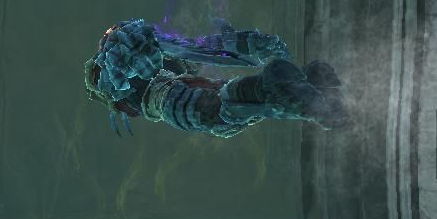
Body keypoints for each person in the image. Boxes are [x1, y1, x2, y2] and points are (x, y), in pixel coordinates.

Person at [83, 18, 349, 138]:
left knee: (234, 108)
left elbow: (198, 51)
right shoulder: (148, 71)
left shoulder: (124, 83)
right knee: (246, 105)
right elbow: (200, 49)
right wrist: (249, 44)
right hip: (176, 98)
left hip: (173, 101)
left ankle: (310, 99)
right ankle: (312, 93)